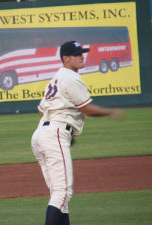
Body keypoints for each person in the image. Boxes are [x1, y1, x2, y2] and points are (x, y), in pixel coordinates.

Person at [31, 41, 124, 225]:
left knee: (60, 197)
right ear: (66, 59)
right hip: (55, 134)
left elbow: (42, 109)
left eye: (82, 52)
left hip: (39, 136)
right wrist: (111, 112)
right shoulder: (71, 78)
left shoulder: (56, 77)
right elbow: (87, 109)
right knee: (63, 193)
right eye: (77, 54)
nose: (82, 56)